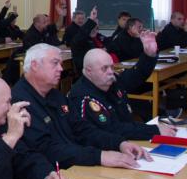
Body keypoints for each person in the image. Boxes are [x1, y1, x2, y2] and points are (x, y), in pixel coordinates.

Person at [11, 43, 152, 169]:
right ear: (35, 65)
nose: (61, 69)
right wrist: (99, 156)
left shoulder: (55, 95)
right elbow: (47, 150)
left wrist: (119, 144)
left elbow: (83, 129)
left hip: (75, 163)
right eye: (55, 63)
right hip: (52, 175)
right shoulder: (19, 102)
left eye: (60, 64)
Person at [69, 35, 178, 140]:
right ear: (89, 71)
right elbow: (112, 129)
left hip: (126, 140)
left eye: (111, 67)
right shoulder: (83, 96)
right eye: (104, 68)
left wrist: (149, 56)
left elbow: (135, 75)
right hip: (106, 147)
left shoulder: (109, 80)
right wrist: (154, 130)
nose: (110, 72)